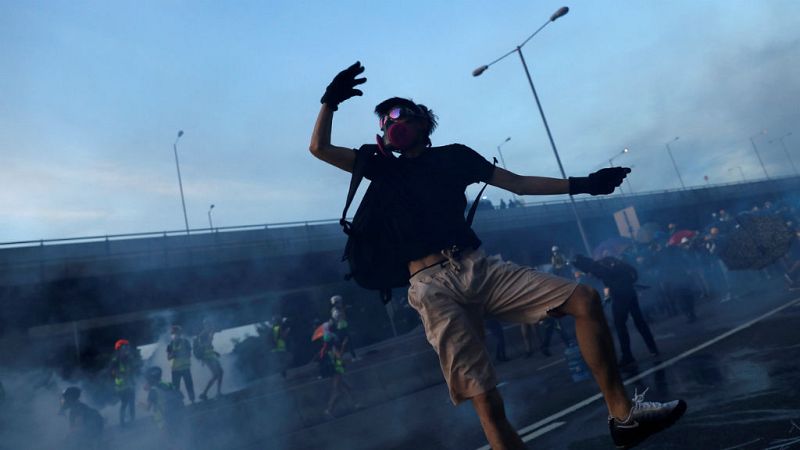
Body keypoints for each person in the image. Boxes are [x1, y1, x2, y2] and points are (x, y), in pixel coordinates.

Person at [310, 62, 686, 449]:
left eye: (399, 114)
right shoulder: (381, 167)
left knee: (584, 299)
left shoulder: (455, 156)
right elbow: (318, 148)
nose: (392, 122)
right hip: (430, 287)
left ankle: (623, 417)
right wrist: (330, 102)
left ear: (422, 120)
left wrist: (585, 184)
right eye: (385, 120)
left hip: (478, 267)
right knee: (486, 400)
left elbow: (517, 184)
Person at [573, 255, 660, 367]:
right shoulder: (609, 262)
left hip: (620, 297)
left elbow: (605, 280)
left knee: (620, 326)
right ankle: (653, 349)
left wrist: (611, 292)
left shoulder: (597, 268)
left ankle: (627, 356)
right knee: (640, 322)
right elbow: (631, 273)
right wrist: (626, 284)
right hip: (630, 293)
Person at [144, 367, 187, 449]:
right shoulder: (169, 384)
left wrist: (138, 404)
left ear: (150, 379)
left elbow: (147, 408)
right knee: (178, 436)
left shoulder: (153, 391)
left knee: (168, 441)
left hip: (164, 419)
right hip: (177, 415)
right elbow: (181, 396)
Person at [108, 339, 139, 427]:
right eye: (124, 347)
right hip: (121, 386)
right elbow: (111, 372)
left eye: (127, 347)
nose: (127, 349)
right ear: (119, 348)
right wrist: (119, 374)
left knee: (132, 403)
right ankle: (122, 423)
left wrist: (133, 380)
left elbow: (132, 371)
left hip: (130, 384)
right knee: (124, 404)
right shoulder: (115, 360)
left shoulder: (128, 359)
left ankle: (133, 420)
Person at [195, 319, 223, 400]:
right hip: (208, 358)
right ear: (205, 325)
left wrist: (214, 352)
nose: (210, 326)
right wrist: (203, 359)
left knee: (219, 373)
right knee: (217, 374)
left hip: (211, 356)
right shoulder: (203, 334)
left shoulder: (208, 333)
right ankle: (206, 393)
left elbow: (208, 347)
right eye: (209, 325)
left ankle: (215, 393)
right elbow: (202, 347)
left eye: (210, 324)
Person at [166, 325, 195, 403]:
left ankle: (192, 401)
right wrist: (173, 354)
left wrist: (180, 353)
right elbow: (168, 358)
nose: (175, 335)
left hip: (185, 368)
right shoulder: (170, 345)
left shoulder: (185, 342)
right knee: (175, 388)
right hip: (175, 370)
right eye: (173, 333)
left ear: (180, 333)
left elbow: (189, 354)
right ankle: (178, 402)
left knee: (189, 385)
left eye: (176, 333)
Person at [330, 295, 358, 360]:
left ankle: (353, 357)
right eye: (339, 302)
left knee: (347, 343)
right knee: (347, 343)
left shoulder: (338, 309)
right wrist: (343, 310)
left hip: (343, 328)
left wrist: (344, 309)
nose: (341, 303)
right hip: (341, 329)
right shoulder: (335, 310)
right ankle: (353, 357)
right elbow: (338, 317)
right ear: (335, 303)